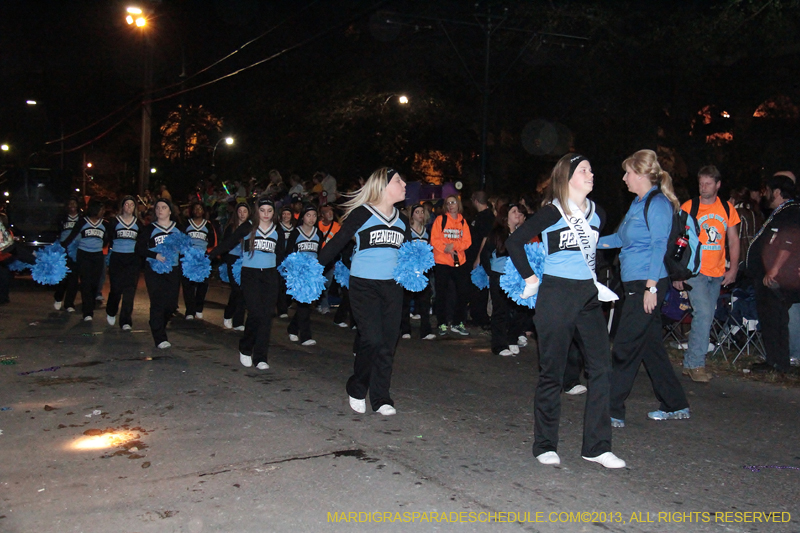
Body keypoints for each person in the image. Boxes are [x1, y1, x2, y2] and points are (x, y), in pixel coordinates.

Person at [506, 153, 625, 469]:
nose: (591, 173)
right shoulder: (551, 212)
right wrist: (532, 279)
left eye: (591, 168)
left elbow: (593, 255)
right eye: (584, 169)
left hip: (587, 295)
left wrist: (596, 282)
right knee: (552, 372)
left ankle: (597, 447)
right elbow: (515, 242)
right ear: (567, 177)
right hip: (556, 294)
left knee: (601, 367)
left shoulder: (598, 213)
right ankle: (544, 444)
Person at [599, 149, 690, 426]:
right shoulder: (637, 204)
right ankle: (676, 404)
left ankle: (612, 409)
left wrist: (651, 287)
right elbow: (620, 238)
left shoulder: (658, 204)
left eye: (628, 172)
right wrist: (589, 241)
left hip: (647, 283)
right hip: (636, 282)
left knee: (625, 346)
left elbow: (658, 245)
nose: (624, 178)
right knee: (651, 348)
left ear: (640, 174)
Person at [317, 167, 410, 416]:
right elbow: (336, 244)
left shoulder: (403, 219)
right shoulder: (362, 213)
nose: (404, 184)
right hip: (364, 285)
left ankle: (381, 398)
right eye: (399, 180)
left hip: (393, 286)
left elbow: (409, 253)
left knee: (388, 343)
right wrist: (312, 268)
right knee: (372, 339)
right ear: (383, 186)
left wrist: (417, 269)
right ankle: (357, 387)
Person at [673, 165, 740, 383]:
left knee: (707, 315)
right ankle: (696, 364)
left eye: (708, 183)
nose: (703, 187)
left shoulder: (727, 209)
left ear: (718, 185)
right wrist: (677, 273)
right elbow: (677, 242)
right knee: (703, 313)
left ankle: (690, 360)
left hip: (717, 271)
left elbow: (733, 240)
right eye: (701, 183)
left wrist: (734, 268)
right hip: (695, 271)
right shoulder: (689, 207)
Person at [210, 196, 285, 370]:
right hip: (250, 275)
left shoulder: (277, 230)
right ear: (257, 211)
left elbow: (281, 255)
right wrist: (209, 256)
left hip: (270, 276)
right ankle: (245, 347)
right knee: (255, 313)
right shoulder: (249, 226)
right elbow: (228, 242)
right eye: (262, 210)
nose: (266, 214)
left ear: (274, 212)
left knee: (267, 316)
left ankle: (260, 357)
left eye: (269, 211)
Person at [745, 174, 800, 374]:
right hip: (768, 276)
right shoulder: (781, 211)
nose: (765, 194)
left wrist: (774, 268)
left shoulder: (791, 212)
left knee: (776, 318)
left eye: (768, 190)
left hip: (777, 277)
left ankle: (779, 363)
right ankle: (774, 360)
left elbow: (788, 241)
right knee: (770, 318)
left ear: (777, 192)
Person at [135, 198, 183, 349]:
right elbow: (139, 248)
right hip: (154, 269)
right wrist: (154, 255)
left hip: (173, 269)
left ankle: (157, 322)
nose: (160, 210)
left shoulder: (179, 228)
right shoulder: (150, 229)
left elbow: (185, 247)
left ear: (170, 210)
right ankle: (159, 337)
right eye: (158, 208)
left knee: (171, 304)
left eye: (163, 207)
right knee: (157, 301)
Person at [481, 203, 527, 356]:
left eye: (520, 212)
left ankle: (512, 338)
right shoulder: (497, 233)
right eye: (514, 211)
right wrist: (491, 273)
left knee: (519, 310)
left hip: (518, 277)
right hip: (499, 275)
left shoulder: (522, 234)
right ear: (505, 215)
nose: (518, 214)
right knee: (500, 311)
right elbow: (485, 254)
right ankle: (499, 345)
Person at [61, 200, 111, 321]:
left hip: (98, 256)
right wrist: (60, 247)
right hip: (84, 255)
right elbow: (72, 236)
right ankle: (87, 312)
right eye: (101, 209)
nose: (103, 211)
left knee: (95, 283)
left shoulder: (105, 224)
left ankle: (90, 305)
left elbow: (107, 239)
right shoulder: (83, 222)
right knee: (85, 283)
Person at [430, 194, 472, 336]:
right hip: (442, 261)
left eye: (453, 202)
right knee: (441, 293)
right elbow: (434, 239)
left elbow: (467, 242)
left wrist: (453, 246)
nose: (451, 205)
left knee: (463, 292)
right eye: (448, 203)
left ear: (458, 204)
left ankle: (458, 322)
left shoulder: (463, 222)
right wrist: (445, 248)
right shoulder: (440, 220)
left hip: (459, 262)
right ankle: (442, 323)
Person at [286, 204, 321, 346]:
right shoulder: (296, 232)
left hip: (312, 274)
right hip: (299, 273)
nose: (311, 218)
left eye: (314, 215)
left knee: (307, 304)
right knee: (303, 303)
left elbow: (320, 253)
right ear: (302, 217)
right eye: (308, 215)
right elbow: (289, 252)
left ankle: (293, 328)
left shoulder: (318, 233)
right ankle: (305, 336)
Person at [106, 196, 142, 330]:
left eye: (131, 205)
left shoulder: (138, 224)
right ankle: (111, 310)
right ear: (122, 206)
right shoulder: (114, 222)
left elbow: (141, 241)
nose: (128, 207)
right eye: (126, 204)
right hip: (117, 258)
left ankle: (126, 320)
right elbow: (108, 238)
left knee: (130, 290)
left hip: (132, 259)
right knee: (116, 289)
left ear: (135, 208)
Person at [400, 204, 435, 340]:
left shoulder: (426, 232)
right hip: (409, 270)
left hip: (423, 271)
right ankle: (405, 329)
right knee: (406, 301)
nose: (420, 214)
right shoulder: (406, 231)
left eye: (422, 212)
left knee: (424, 301)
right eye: (417, 212)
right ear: (412, 215)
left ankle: (425, 330)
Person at [181, 202, 218, 320]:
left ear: (204, 211)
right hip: (188, 258)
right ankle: (190, 311)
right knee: (188, 285)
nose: (198, 210)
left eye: (200, 208)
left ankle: (199, 308)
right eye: (195, 208)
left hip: (203, 258)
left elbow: (212, 242)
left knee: (203, 284)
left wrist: (208, 255)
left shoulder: (208, 225)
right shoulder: (186, 224)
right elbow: (181, 239)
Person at [465, 191, 494, 328]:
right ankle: (476, 316)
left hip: (480, 257)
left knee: (479, 287)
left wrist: (478, 257)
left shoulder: (487, 216)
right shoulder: (479, 215)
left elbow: (485, 237)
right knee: (475, 287)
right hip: (473, 254)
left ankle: (481, 317)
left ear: (476, 200)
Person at [221, 202, 250, 331]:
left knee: (244, 290)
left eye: (245, 211)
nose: (242, 214)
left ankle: (238, 322)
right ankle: (228, 314)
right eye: (240, 211)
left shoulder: (251, 227)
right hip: (233, 260)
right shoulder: (231, 227)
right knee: (236, 289)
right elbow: (225, 245)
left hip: (246, 260)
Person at [54, 197, 82, 312]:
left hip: (77, 250)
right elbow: (56, 232)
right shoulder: (62, 218)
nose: (72, 205)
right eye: (70, 203)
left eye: (74, 203)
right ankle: (58, 297)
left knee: (74, 278)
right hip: (63, 249)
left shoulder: (82, 218)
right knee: (63, 276)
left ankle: (69, 303)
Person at [316, 204, 342, 314]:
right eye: (327, 212)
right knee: (319, 283)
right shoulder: (317, 226)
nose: (330, 214)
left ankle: (323, 304)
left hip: (330, 260)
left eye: (331, 212)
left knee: (327, 283)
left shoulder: (337, 226)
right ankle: (321, 304)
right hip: (318, 259)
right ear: (322, 215)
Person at [277, 205, 295, 318]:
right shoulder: (277, 227)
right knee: (280, 284)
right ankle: (282, 309)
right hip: (279, 258)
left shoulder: (295, 228)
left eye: (288, 214)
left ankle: (287, 303)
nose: (286, 216)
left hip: (292, 259)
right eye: (284, 214)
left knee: (290, 283)